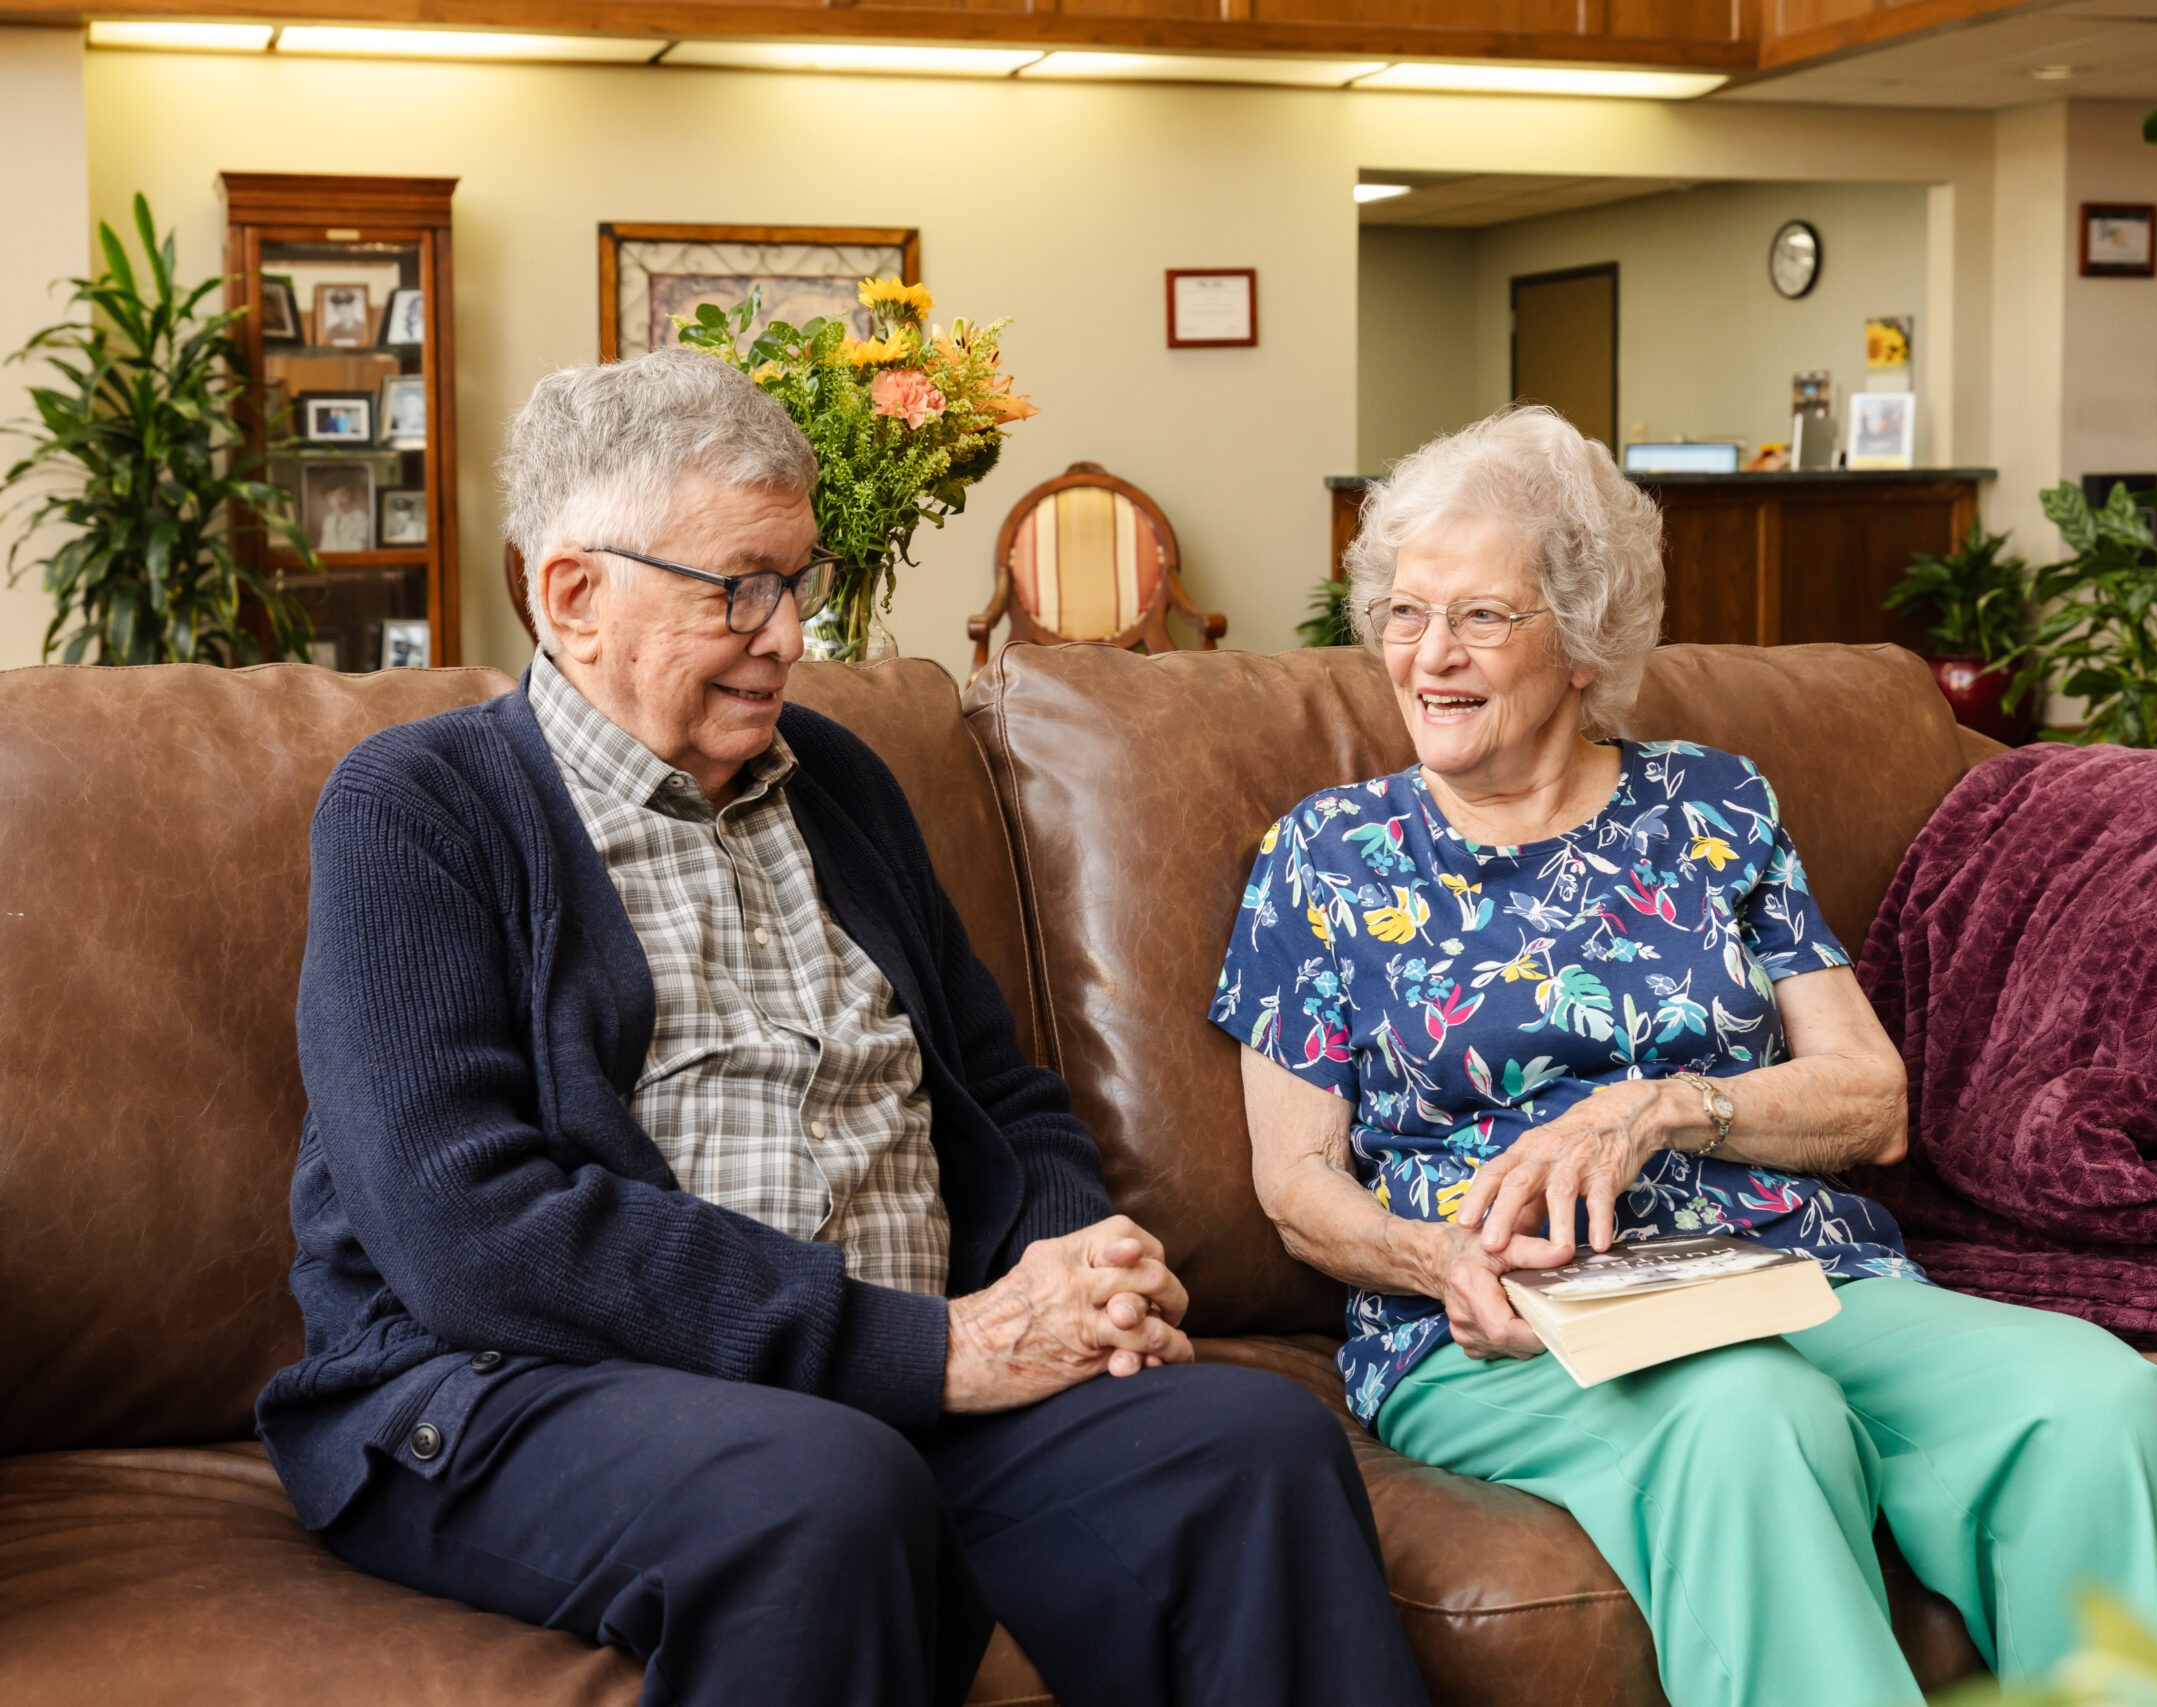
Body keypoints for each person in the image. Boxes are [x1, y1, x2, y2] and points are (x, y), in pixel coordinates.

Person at [261, 347, 1430, 1707]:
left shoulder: (842, 788)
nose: (787, 634)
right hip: (500, 1388)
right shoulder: (421, 808)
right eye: (739, 587)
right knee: (821, 1492)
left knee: (1249, 1443)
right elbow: (469, 1231)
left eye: (797, 581)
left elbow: (1005, 1094)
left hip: (883, 1377)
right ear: (573, 596)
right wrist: (930, 1350)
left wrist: (1075, 1270)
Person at [1213, 406, 2157, 1707]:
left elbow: (1870, 1098)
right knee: (1753, 1416)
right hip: (1518, 1316)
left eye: (1481, 618)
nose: (1429, 657)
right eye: (1406, 613)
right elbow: (1296, 1182)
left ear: (1584, 639)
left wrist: (1664, 1108)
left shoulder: (1713, 807)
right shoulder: (1328, 855)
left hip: (1793, 1274)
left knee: (2093, 1403)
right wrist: (1437, 1257)